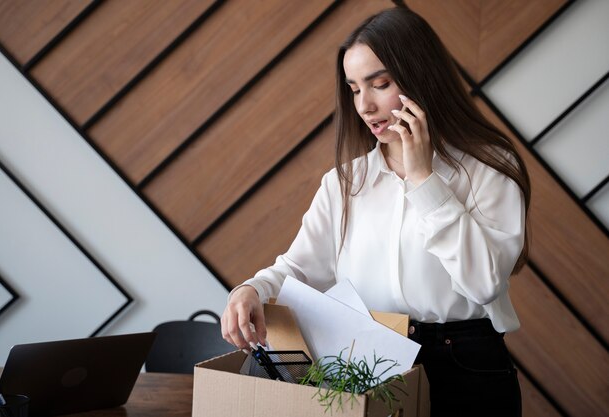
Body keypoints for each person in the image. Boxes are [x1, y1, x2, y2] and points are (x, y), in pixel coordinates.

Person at [221, 3, 530, 416]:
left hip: (468, 365)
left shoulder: (490, 169)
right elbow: (297, 269)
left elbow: (484, 284)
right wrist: (251, 289)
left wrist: (424, 181)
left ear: (422, 77)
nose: (364, 105)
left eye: (379, 84)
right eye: (353, 89)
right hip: (369, 364)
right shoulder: (345, 183)